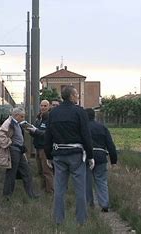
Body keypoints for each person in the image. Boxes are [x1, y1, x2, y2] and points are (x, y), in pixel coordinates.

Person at [45, 86, 94, 225]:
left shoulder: (53, 113)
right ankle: (81, 221)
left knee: (59, 189)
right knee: (80, 189)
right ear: (72, 96)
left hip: (58, 155)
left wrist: (48, 156)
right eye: (77, 94)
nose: (78, 96)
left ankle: (58, 220)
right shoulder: (80, 112)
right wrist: (90, 156)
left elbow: (48, 136)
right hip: (76, 156)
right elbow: (86, 135)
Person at [0, 107, 38, 199]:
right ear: (16, 115)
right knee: (11, 173)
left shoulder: (16, 123)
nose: (23, 118)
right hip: (14, 150)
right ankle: (7, 195)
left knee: (26, 172)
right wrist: (8, 143)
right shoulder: (9, 123)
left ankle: (31, 195)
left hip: (19, 151)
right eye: (22, 116)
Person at [84, 108, 118, 212]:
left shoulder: (83, 128)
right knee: (101, 180)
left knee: (87, 181)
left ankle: (89, 204)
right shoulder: (103, 128)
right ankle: (104, 204)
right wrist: (113, 161)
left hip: (86, 157)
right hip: (101, 156)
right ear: (94, 116)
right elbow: (111, 145)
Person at [28, 100, 54, 193]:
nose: (43, 108)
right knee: (40, 171)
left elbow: (48, 134)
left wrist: (36, 131)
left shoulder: (50, 118)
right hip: (38, 147)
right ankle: (44, 189)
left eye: (45, 106)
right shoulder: (39, 118)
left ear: (49, 106)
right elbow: (37, 133)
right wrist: (31, 131)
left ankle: (50, 191)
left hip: (45, 148)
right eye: (42, 106)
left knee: (47, 171)